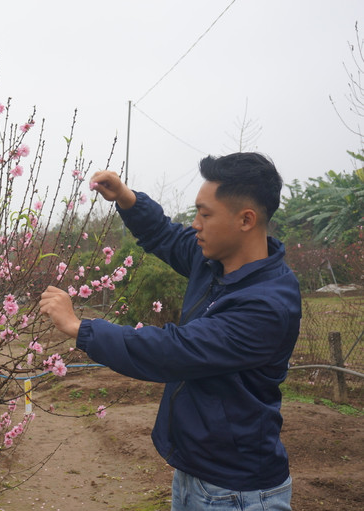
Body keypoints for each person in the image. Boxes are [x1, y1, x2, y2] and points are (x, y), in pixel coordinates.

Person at [40, 152, 301, 511]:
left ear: (246, 219)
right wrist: (127, 199)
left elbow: (174, 350)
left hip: (237, 492)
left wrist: (79, 327)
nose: (195, 224)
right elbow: (165, 235)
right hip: (197, 476)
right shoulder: (215, 263)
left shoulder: (267, 305)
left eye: (205, 214)